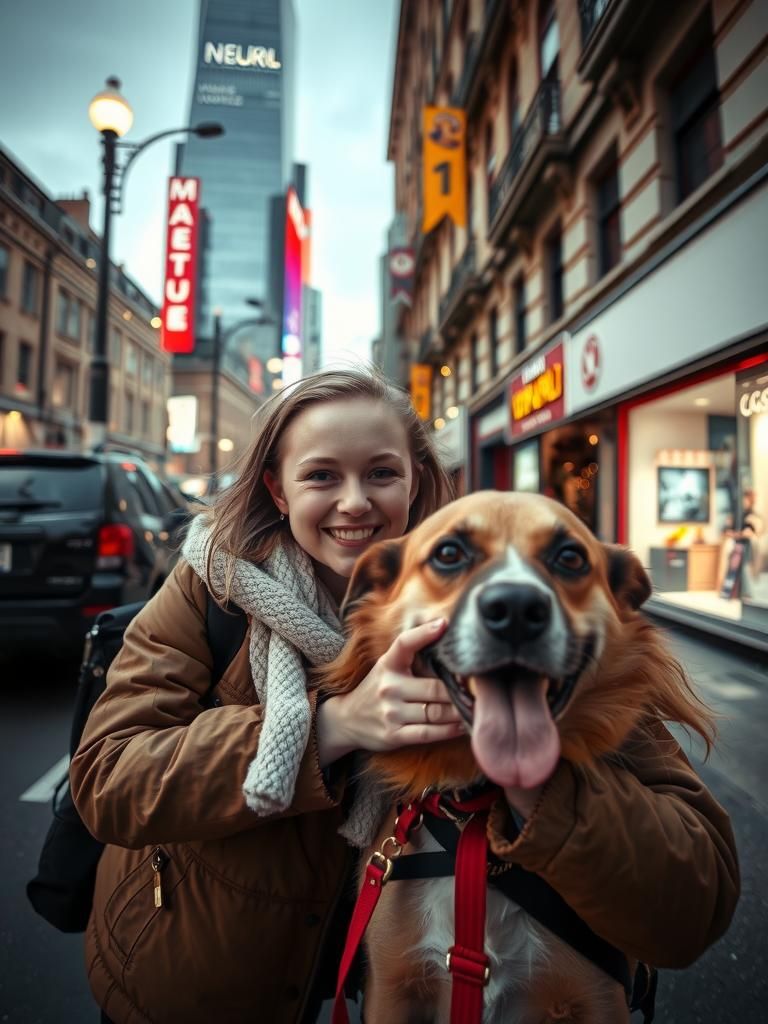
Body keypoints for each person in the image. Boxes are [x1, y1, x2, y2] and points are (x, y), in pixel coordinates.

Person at [70, 367, 739, 1024]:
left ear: (416, 479)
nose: (355, 501)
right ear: (277, 488)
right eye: (322, 475)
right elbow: (108, 779)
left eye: (382, 473)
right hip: (207, 978)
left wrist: (543, 792)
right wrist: (335, 725)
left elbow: (693, 904)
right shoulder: (208, 590)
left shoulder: (567, 641)